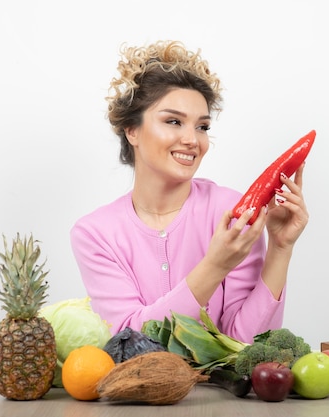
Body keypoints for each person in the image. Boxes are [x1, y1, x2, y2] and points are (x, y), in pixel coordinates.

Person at [70, 40, 309, 343]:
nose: (192, 140)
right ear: (132, 130)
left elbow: (247, 344)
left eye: (202, 127)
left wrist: (280, 249)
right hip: (141, 391)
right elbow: (130, 342)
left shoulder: (232, 211)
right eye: (173, 121)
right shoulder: (95, 234)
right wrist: (214, 266)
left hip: (218, 393)